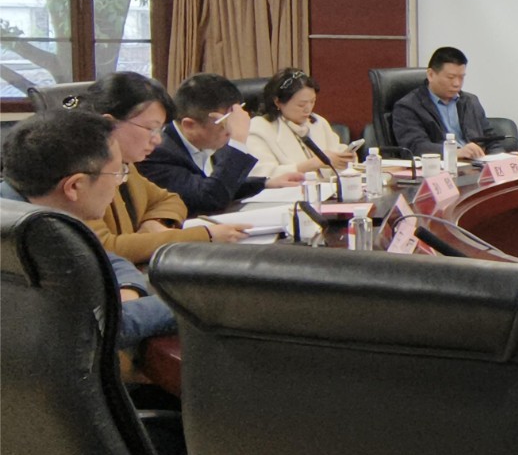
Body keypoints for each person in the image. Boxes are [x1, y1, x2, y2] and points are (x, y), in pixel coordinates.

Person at [0, 109, 177, 348]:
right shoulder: (40, 238)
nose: (119, 183)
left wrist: (128, 288)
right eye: (117, 172)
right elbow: (97, 329)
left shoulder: (19, 206)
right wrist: (190, 303)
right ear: (75, 186)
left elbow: (106, 258)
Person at [79, 72, 246, 263]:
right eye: (151, 129)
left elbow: (170, 199)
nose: (157, 140)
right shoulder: (80, 171)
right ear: (110, 124)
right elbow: (105, 248)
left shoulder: (125, 165)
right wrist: (205, 235)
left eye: (160, 130)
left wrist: (155, 222)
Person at [139, 73, 303, 215]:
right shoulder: (158, 153)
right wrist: (238, 142)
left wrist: (265, 183)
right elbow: (209, 199)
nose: (231, 129)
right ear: (189, 125)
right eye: (226, 122)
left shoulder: (208, 140)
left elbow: (213, 182)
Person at [390, 46, 498, 160]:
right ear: (431, 75)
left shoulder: (470, 101)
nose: (457, 83)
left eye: (461, 77)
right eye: (451, 77)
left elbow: (492, 140)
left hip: (476, 165)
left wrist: (498, 158)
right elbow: (415, 146)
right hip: (441, 166)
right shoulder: (408, 107)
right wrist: (454, 152)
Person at [247, 68, 357, 178]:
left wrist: (345, 158)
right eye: (301, 104)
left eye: (312, 101)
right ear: (278, 102)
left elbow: (336, 150)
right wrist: (313, 163)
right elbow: (263, 176)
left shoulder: (317, 122)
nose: (308, 109)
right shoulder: (258, 128)